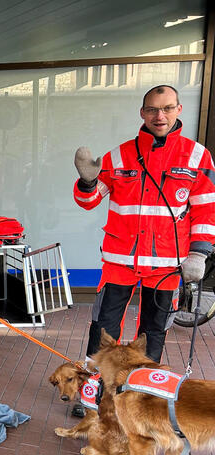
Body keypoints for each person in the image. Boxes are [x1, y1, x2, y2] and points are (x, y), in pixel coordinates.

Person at [72, 84, 215, 415]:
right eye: (152, 109)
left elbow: (206, 210)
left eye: (166, 108)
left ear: (179, 110)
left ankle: (137, 392)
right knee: (103, 330)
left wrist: (198, 254)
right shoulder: (119, 155)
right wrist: (87, 181)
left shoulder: (197, 156)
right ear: (142, 113)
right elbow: (88, 201)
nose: (159, 115)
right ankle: (93, 393)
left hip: (166, 267)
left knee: (152, 333)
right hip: (119, 262)